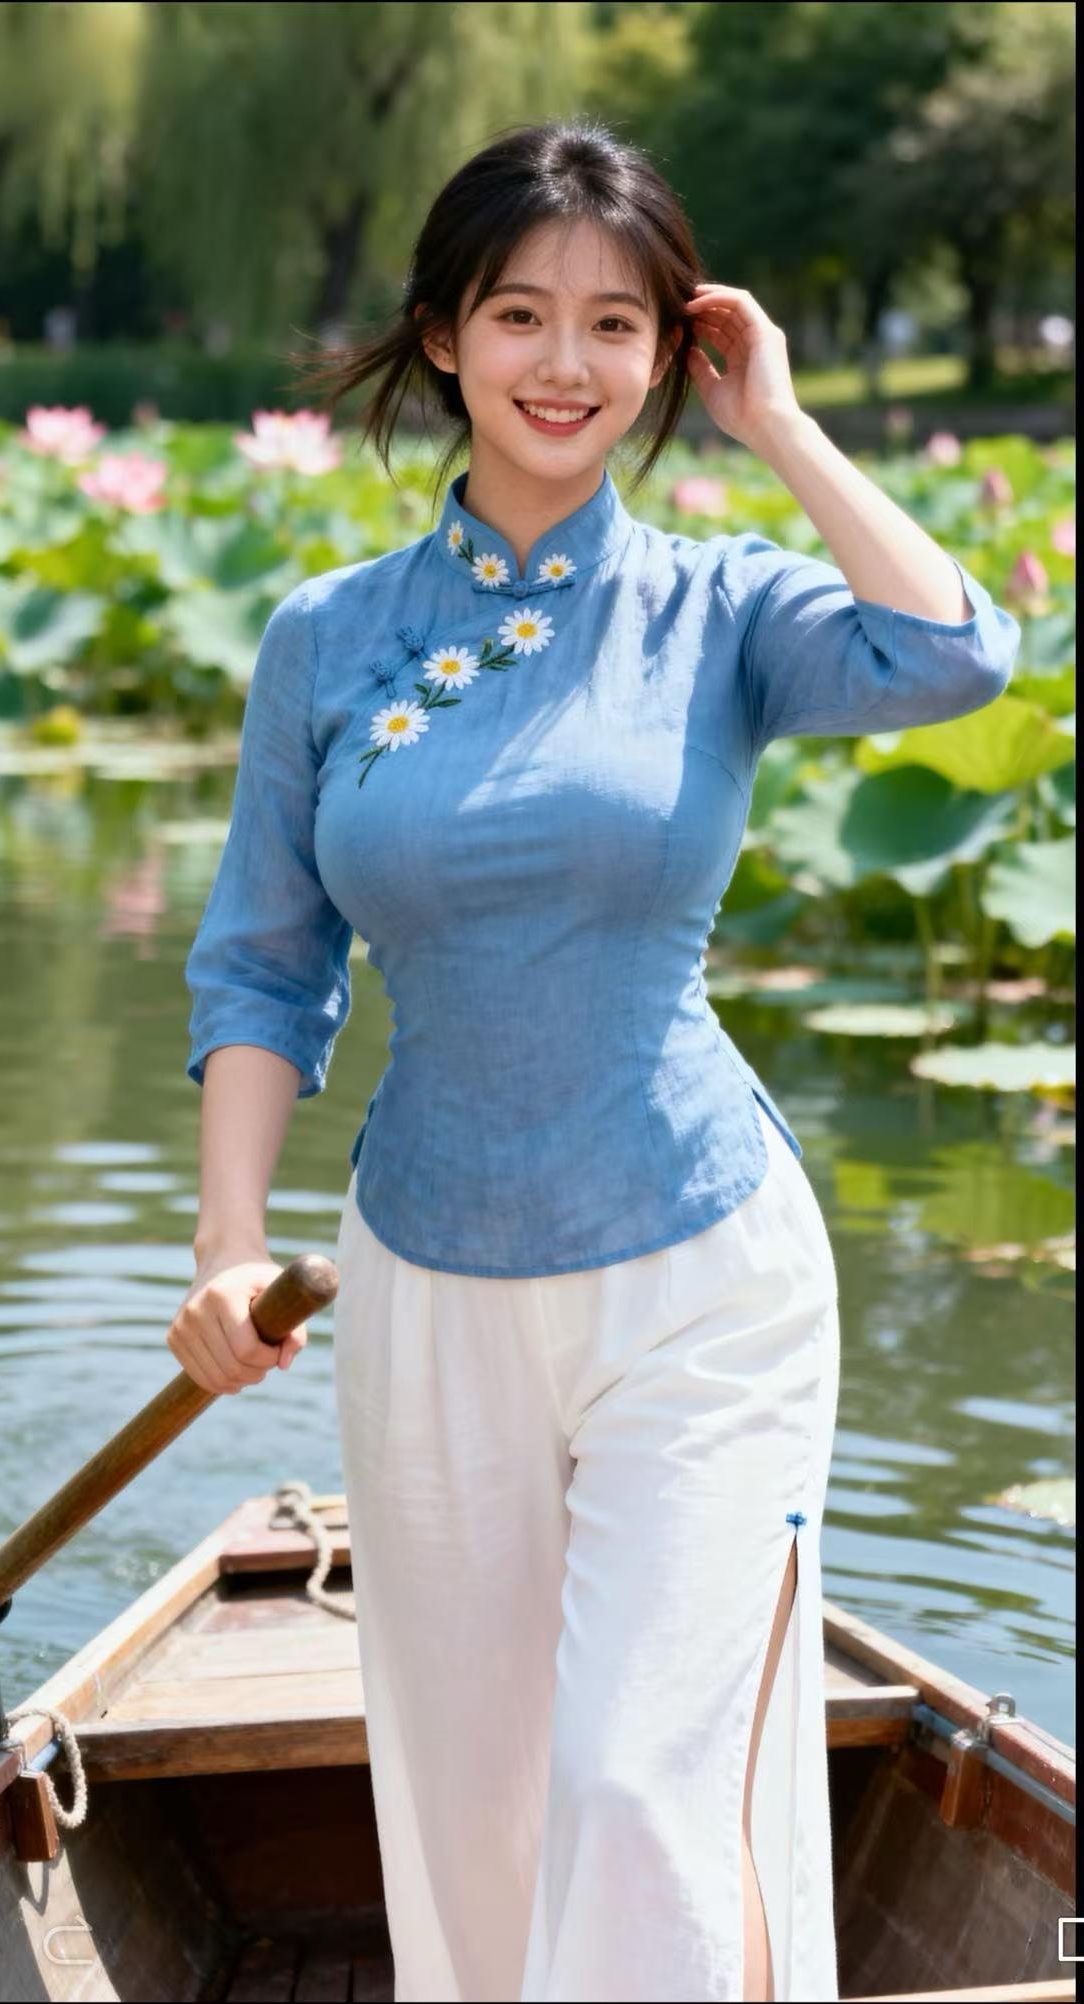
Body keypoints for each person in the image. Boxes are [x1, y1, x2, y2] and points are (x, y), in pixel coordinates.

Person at [168, 121, 1019, 2004]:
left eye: (617, 324)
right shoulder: (328, 640)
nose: (567, 364)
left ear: (667, 354)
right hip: (426, 1280)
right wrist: (226, 1245)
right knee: (474, 1814)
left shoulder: (723, 611)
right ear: (443, 335)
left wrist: (780, 427)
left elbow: (963, 655)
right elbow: (263, 967)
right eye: (521, 315)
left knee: (640, 1792)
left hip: (699, 1274)